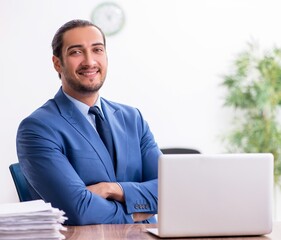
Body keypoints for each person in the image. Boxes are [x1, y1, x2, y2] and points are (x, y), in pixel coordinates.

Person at [16, 19, 161, 225]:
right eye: (76, 52)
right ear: (58, 63)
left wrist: (113, 189)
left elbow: (170, 190)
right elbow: (77, 210)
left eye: (97, 50)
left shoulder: (132, 118)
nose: (90, 61)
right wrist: (136, 211)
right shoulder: (37, 128)